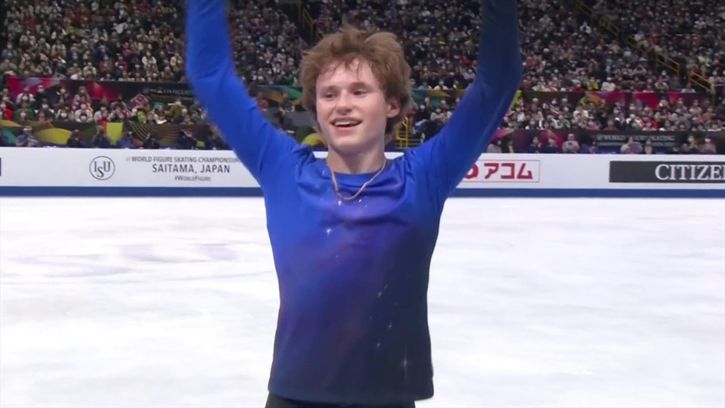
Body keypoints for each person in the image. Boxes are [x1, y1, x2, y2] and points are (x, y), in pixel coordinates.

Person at [185, 0, 521, 406]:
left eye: (359, 91)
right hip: (295, 396)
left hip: (388, 397)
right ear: (316, 109)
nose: (342, 104)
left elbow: (496, 84)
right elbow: (211, 77)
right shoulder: (283, 171)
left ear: (392, 104)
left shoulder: (423, 179)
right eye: (329, 94)